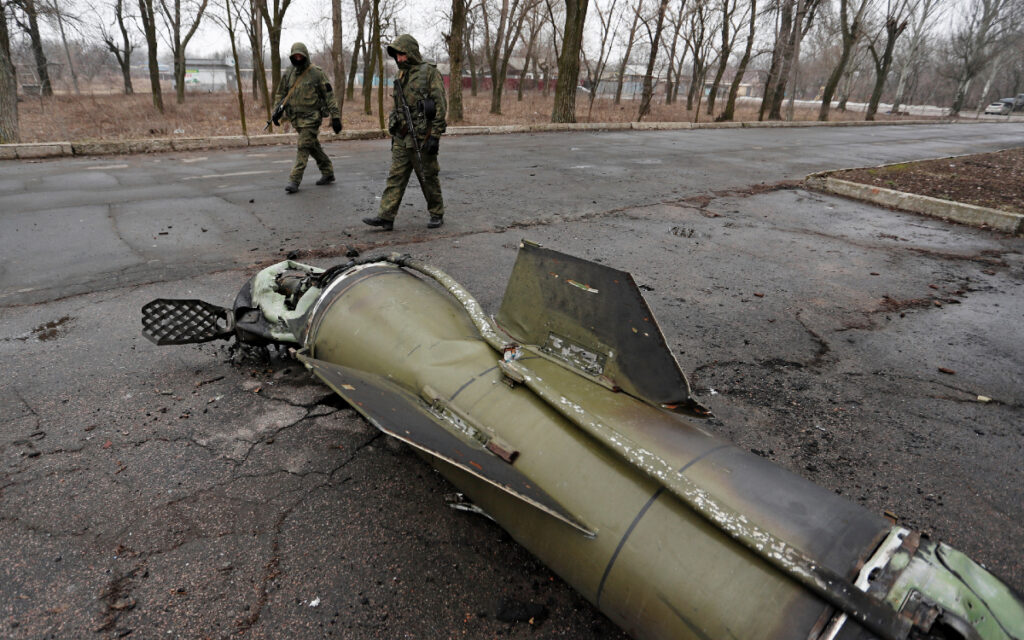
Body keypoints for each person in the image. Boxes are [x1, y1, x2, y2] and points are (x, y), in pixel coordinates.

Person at [363, 34, 447, 231]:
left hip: (422, 136)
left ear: (411, 53)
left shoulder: (429, 72)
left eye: (402, 55)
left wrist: (435, 135)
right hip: (402, 135)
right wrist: (394, 131)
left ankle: (437, 213)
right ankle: (386, 216)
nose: (399, 59)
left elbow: (440, 105)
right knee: (396, 176)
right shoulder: (400, 76)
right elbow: (398, 106)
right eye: (397, 55)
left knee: (427, 175)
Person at [273, 42, 342, 194]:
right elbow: (281, 93)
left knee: (303, 146)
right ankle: (328, 172)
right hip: (296, 118)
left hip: (312, 118)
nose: (298, 59)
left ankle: (294, 180)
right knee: (312, 146)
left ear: (305, 56)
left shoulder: (316, 73)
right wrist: (277, 111)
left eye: (300, 56)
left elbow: (329, 95)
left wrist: (335, 117)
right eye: (295, 56)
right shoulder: (289, 72)